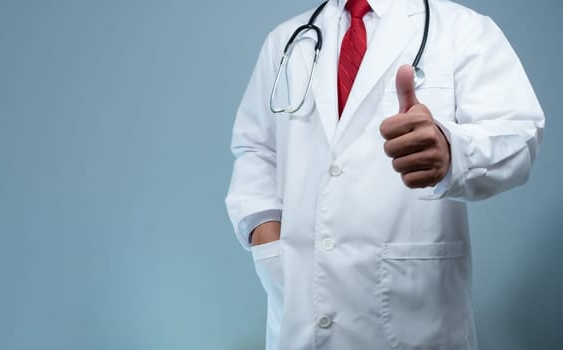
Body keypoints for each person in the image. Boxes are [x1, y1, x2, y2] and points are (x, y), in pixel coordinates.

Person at [224, 0, 545, 349]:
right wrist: (265, 235)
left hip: (416, 320)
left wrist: (452, 151)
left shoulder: (463, 29)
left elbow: (518, 134)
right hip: (300, 316)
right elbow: (255, 148)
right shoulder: (287, 40)